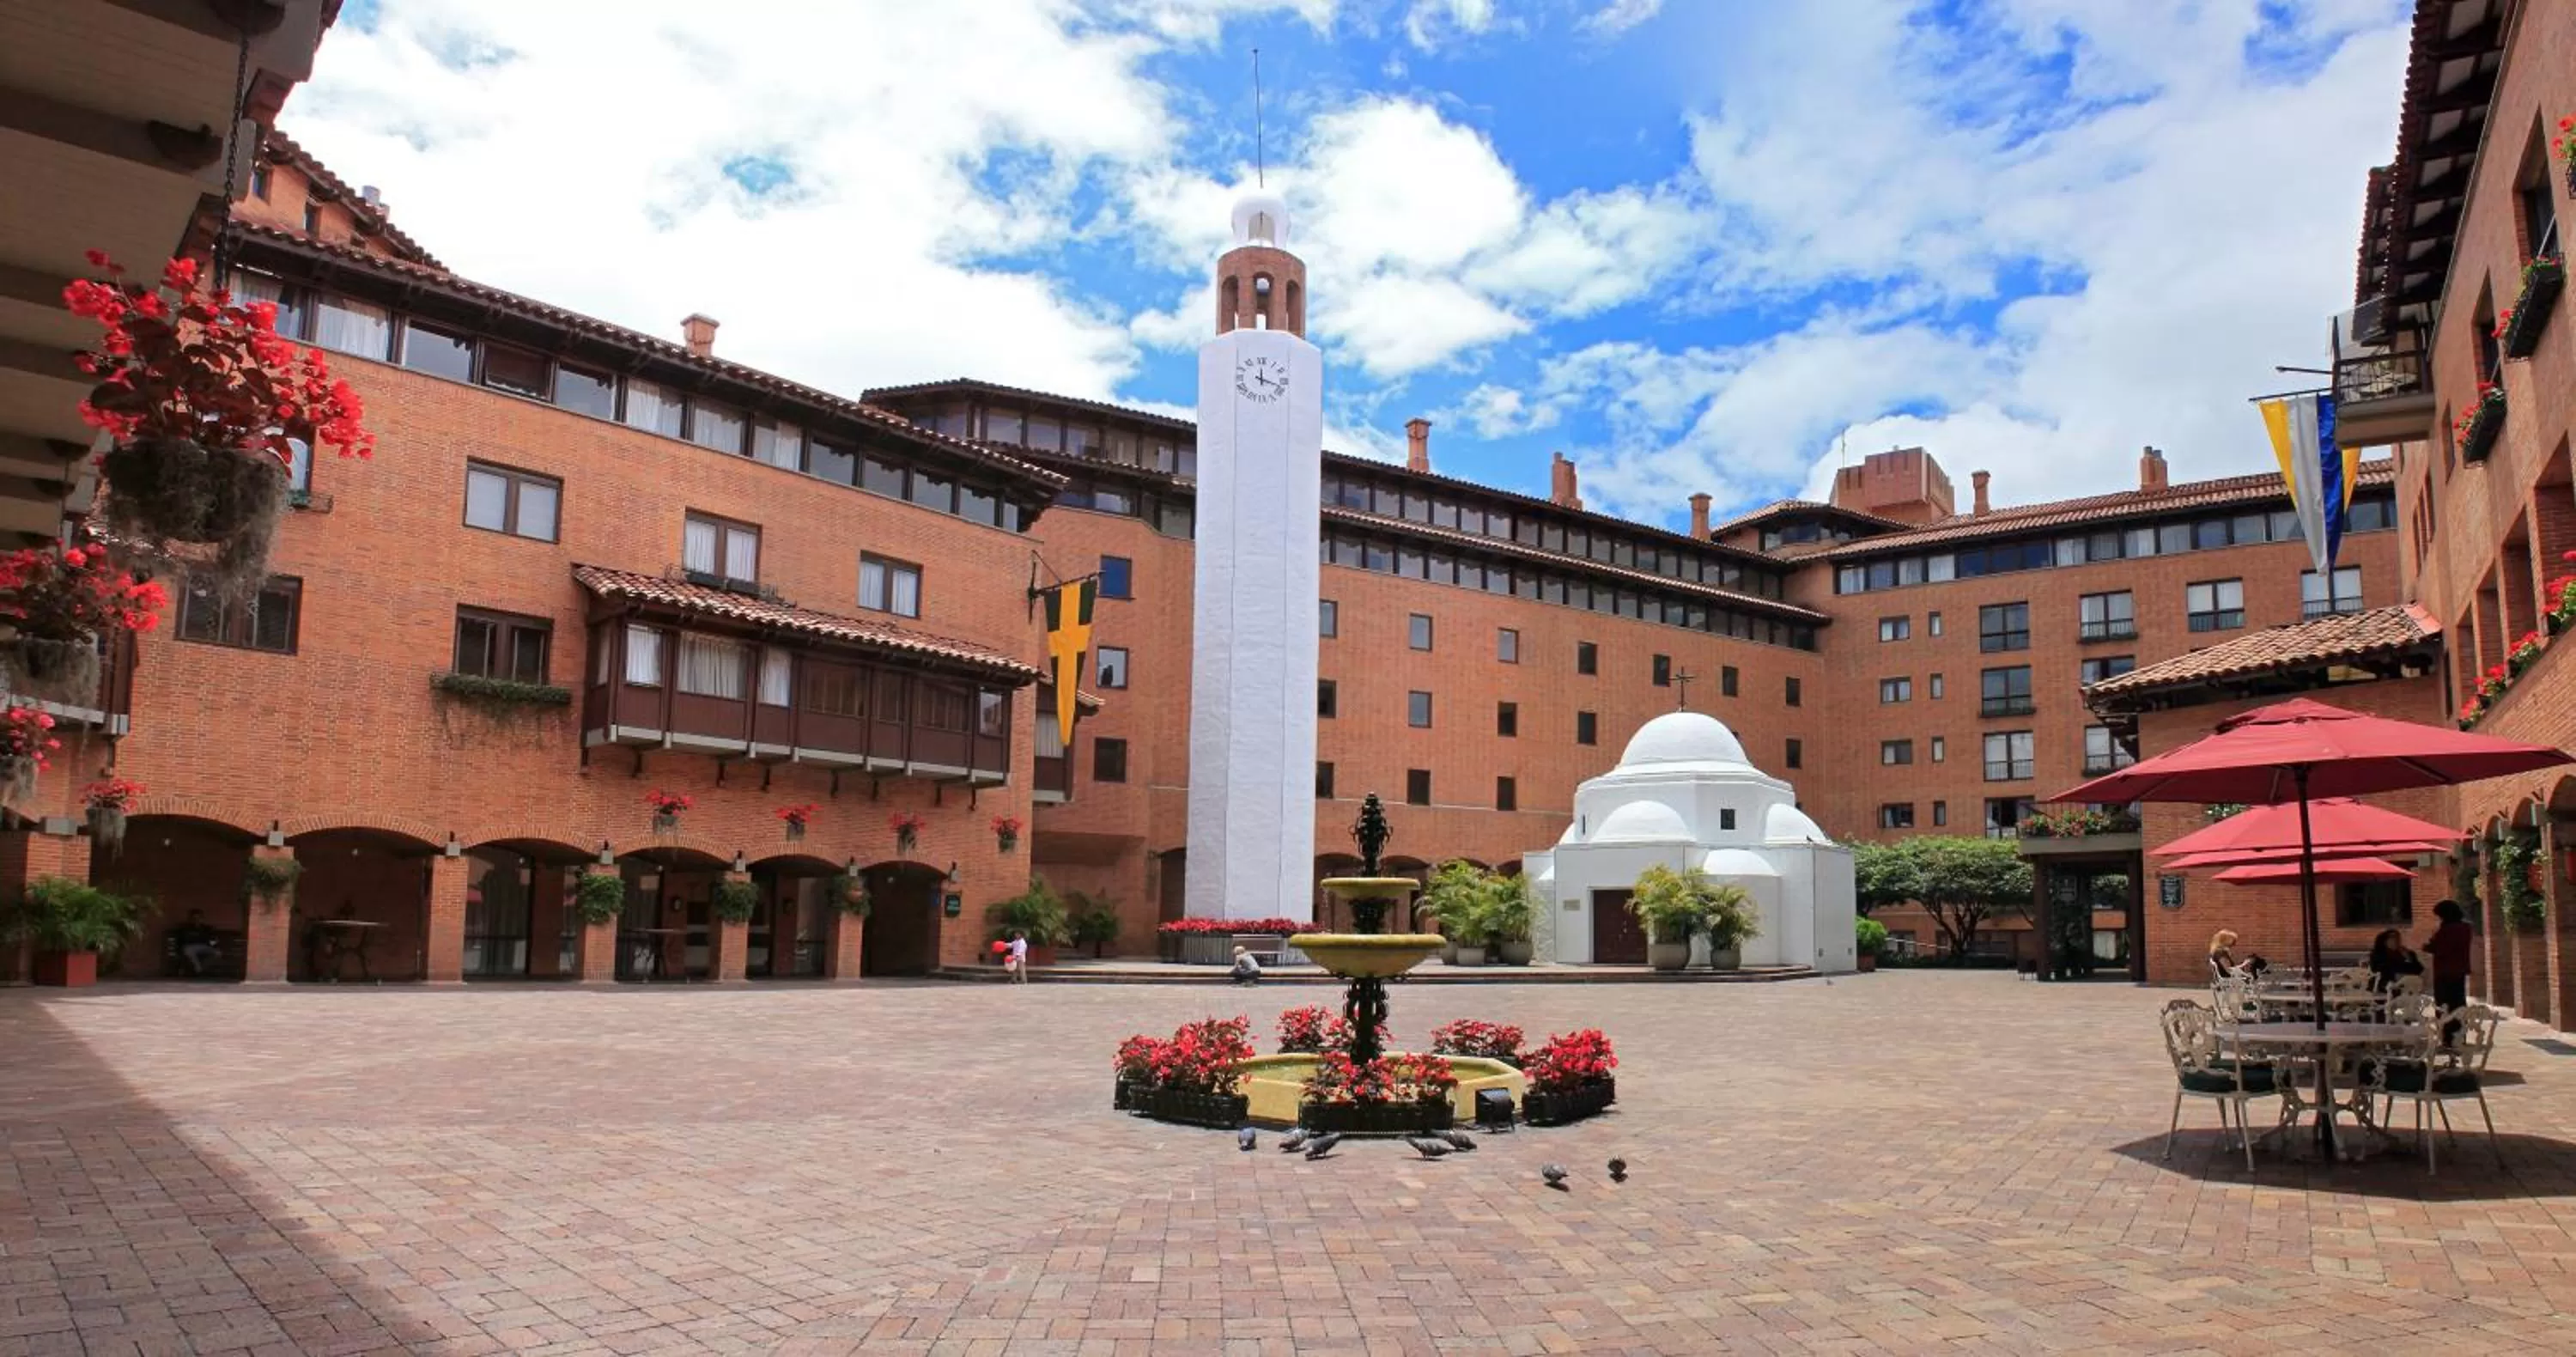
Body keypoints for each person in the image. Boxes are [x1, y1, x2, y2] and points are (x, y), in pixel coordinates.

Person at [2425, 900, 2474, 1042]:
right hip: (2460, 971)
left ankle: (2447, 1037)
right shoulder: (2466, 928)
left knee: (2444, 1006)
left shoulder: (2446, 929)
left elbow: (2438, 948)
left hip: (2444, 972)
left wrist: (2430, 943)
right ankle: (2460, 1036)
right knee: (2459, 1003)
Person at [2366, 928, 2423, 995]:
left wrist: (2409, 958)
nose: (2396, 941)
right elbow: (2378, 969)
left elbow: (2419, 970)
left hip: (2407, 986)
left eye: (2398, 938)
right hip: (2383, 986)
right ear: (2385, 941)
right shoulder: (2378, 954)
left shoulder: (2408, 953)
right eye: (2392, 938)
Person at [171, 910, 221, 977]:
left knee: (217, 953)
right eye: (194, 918)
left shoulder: (207, 928)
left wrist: (214, 944)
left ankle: (200, 969)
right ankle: (199, 970)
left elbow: (212, 940)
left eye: (198, 918)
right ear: (190, 919)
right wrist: (178, 950)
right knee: (187, 950)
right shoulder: (185, 928)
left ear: (202, 919)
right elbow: (180, 941)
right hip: (190, 947)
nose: (196, 920)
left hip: (203, 947)